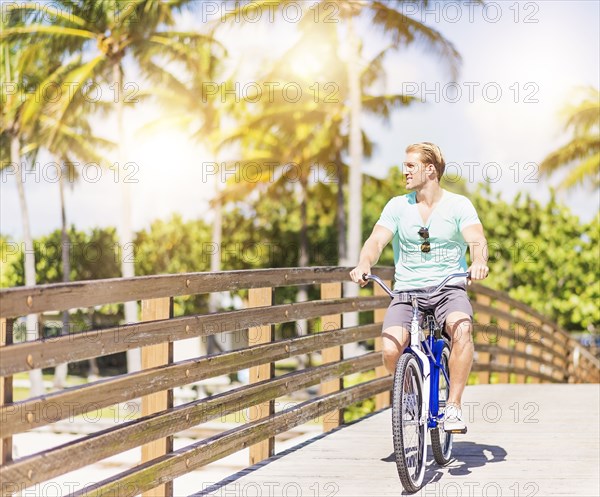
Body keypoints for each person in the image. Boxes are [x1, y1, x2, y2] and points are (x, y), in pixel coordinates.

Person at [349, 142, 489, 433]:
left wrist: (478, 261)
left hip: (448, 287)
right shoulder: (398, 206)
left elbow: (477, 240)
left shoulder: (458, 205)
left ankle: (453, 406)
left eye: (411, 166)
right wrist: (364, 262)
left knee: (461, 328)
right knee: (389, 348)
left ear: (430, 170)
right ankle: (410, 392)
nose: (405, 171)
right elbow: (376, 241)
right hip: (407, 292)